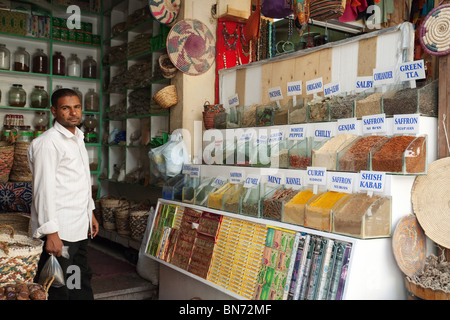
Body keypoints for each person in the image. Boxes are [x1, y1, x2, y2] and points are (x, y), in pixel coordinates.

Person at [27, 88, 99, 300]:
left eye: (76, 107)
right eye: (66, 108)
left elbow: (81, 181)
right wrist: (51, 233)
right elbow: (43, 190)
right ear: (54, 111)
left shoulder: (78, 137)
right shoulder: (48, 143)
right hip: (61, 230)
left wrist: (90, 212)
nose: (73, 112)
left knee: (78, 279)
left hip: (78, 226)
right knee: (57, 285)